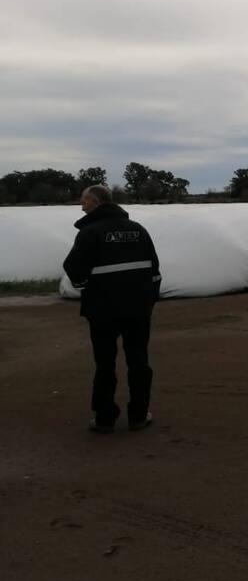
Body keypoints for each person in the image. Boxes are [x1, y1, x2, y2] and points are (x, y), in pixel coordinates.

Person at [63, 185, 161, 433]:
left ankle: (105, 418)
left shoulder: (90, 233)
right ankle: (139, 415)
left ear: (96, 202)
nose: (81, 205)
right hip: (138, 310)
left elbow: (73, 267)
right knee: (139, 361)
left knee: (105, 364)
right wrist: (148, 301)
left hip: (102, 311)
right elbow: (155, 272)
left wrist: (88, 288)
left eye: (84, 201)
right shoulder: (138, 230)